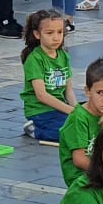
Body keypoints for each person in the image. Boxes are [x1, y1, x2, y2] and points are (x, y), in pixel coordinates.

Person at [60, 57, 103, 189]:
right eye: (100, 93)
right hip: (81, 177)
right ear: (88, 91)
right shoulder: (79, 118)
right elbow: (79, 160)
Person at [21, 8, 76, 142]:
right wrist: (71, 111)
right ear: (37, 34)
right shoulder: (34, 59)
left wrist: (77, 110)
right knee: (70, 135)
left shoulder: (64, 56)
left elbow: (69, 91)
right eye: (49, 33)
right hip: (40, 111)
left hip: (59, 108)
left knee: (86, 124)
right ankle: (35, 130)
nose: (56, 37)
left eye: (60, 32)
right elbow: (42, 96)